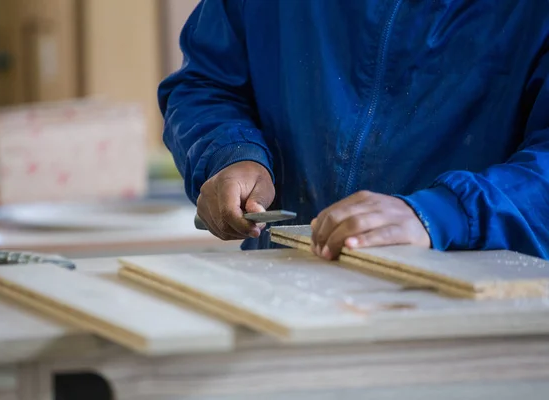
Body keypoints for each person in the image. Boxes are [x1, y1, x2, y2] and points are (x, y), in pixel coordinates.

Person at [158, 0, 549, 260]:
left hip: (467, 318)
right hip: (285, 288)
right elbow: (207, 84)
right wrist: (231, 155)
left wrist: (449, 213)